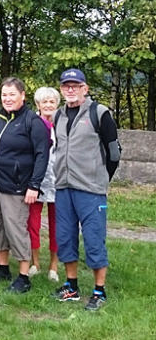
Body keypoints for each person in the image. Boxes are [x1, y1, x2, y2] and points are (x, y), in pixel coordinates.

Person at [51, 69, 120, 311]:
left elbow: (113, 152)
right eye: (66, 86)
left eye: (75, 85)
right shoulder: (58, 116)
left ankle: (99, 291)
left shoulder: (99, 113)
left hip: (91, 191)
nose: (70, 89)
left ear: (85, 88)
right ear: (61, 89)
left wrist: (100, 178)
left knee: (93, 240)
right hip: (63, 188)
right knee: (65, 239)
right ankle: (71, 286)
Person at [0, 77, 50, 294]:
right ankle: (2, 269)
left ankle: (23, 276)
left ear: (22, 96)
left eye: (12, 94)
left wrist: (34, 186)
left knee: (16, 228)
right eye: (4, 95)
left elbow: (42, 155)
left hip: (18, 186)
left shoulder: (32, 122)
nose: (7, 99)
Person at [30, 87, 60, 282]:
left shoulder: (64, 123)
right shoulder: (32, 123)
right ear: (38, 104)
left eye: (52, 102)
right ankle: (35, 263)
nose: (48, 105)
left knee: (57, 225)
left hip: (58, 180)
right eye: (44, 102)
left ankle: (54, 267)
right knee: (32, 223)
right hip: (35, 180)